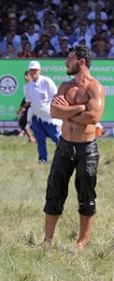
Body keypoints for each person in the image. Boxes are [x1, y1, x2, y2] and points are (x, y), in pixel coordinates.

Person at [45, 45, 105, 251]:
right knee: (54, 190)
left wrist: (66, 111)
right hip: (64, 145)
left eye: (69, 59)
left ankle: (81, 242)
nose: (66, 63)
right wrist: (80, 108)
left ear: (81, 62)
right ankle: (47, 240)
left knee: (86, 193)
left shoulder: (95, 88)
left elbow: (94, 117)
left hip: (86, 148)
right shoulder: (64, 86)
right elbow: (54, 111)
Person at [22, 60, 61, 163]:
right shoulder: (28, 86)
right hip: (36, 115)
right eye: (31, 70)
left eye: (35, 70)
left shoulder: (46, 81)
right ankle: (42, 159)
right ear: (29, 71)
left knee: (56, 137)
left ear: (39, 70)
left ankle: (65, 156)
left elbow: (56, 95)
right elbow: (29, 101)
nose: (33, 72)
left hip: (48, 116)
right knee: (40, 139)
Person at [16, 71, 37, 143]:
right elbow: (26, 98)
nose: (25, 77)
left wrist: (22, 108)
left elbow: (29, 99)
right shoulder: (28, 85)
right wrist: (22, 107)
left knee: (24, 122)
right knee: (23, 122)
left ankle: (32, 138)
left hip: (34, 107)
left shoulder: (34, 85)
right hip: (30, 106)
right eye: (25, 76)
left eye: (27, 75)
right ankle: (31, 138)